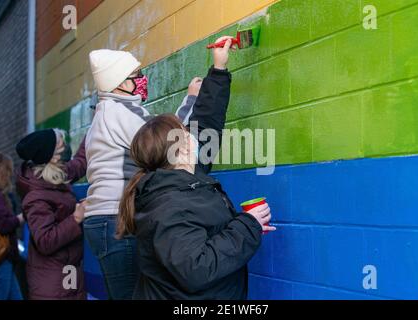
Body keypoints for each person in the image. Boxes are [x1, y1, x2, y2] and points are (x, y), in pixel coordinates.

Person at [117, 38, 277, 300]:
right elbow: (197, 268)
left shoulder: (185, 176)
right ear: (180, 149)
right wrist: (248, 225)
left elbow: (206, 124)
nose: (192, 134)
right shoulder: (168, 206)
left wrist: (219, 69)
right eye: (184, 132)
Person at [84, 49, 202, 299]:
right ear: (118, 84)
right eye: (136, 75)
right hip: (115, 218)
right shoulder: (118, 112)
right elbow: (164, 142)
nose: (142, 79)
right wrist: (191, 99)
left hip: (105, 219)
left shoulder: (107, 112)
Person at [16, 129, 87, 300]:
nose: (66, 145)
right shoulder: (36, 196)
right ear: (53, 156)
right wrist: (76, 218)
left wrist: (96, 126)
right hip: (52, 284)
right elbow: (45, 240)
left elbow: (80, 163)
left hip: (67, 274)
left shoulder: (56, 174)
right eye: (61, 143)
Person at [0, 153, 24, 300]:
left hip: (4, 257)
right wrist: (21, 218)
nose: (11, 175)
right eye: (9, 171)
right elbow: (3, 225)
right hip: (1, 257)